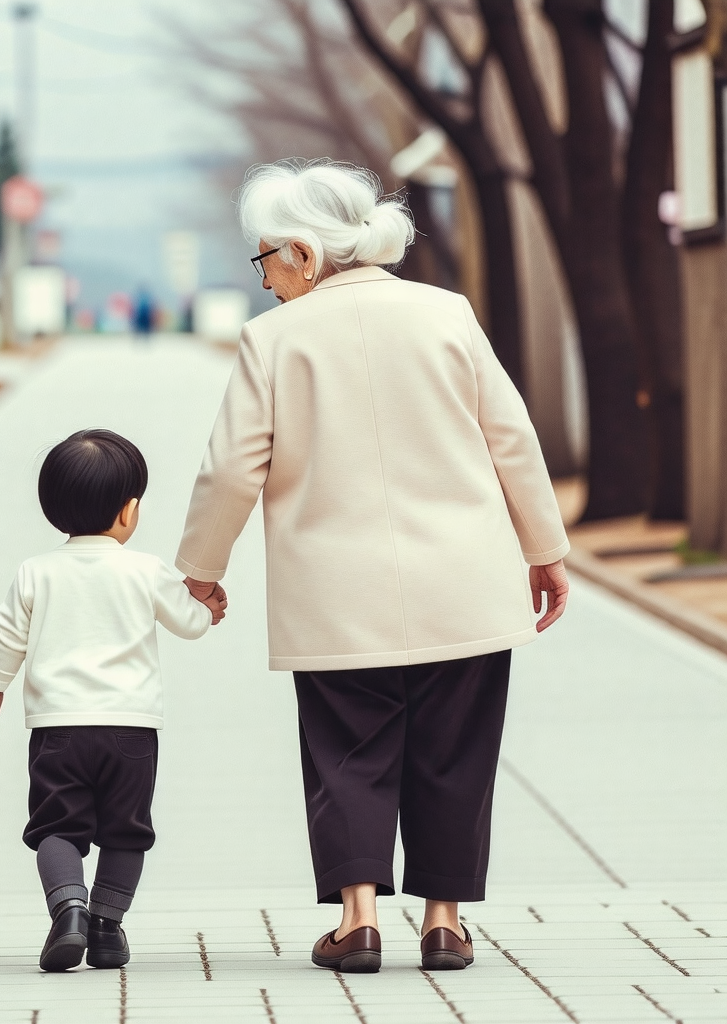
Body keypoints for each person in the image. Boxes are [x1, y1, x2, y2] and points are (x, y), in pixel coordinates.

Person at [176, 160, 570, 974]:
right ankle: (444, 923)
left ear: (304, 254)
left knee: (346, 753)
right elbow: (513, 441)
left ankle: (358, 921)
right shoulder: (447, 314)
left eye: (265, 260)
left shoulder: (272, 341)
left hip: (333, 594)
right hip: (464, 582)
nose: (264, 279)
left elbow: (230, 469)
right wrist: (545, 551)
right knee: (456, 750)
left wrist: (202, 567)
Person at [0, 429, 226, 973]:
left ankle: (69, 911)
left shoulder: (35, 572)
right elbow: (189, 623)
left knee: (57, 829)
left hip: (57, 730)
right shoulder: (144, 570)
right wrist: (206, 607)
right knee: (125, 832)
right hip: (131, 730)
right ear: (129, 511)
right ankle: (108, 930)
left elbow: (7, 636)